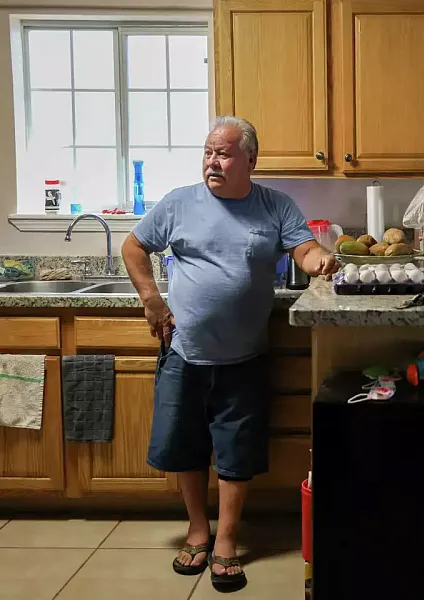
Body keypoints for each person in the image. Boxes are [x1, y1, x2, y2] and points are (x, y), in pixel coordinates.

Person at [121, 116, 338, 592]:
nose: (212, 162)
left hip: (246, 356)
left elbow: (303, 249)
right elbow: (134, 245)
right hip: (185, 352)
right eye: (207, 152)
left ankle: (227, 540)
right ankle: (199, 531)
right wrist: (151, 298)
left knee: (237, 453)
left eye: (223, 153)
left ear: (250, 161)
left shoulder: (275, 205)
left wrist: (319, 258)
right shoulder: (179, 202)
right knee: (187, 446)